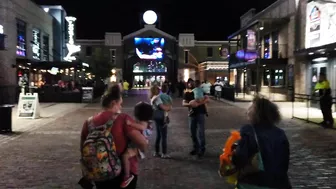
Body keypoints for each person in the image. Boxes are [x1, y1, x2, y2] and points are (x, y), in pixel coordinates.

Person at [79, 85, 148, 189]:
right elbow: (142, 143)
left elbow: (82, 149)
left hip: (99, 172)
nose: (121, 107)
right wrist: (136, 151)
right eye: (120, 104)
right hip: (121, 172)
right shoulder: (123, 119)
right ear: (113, 103)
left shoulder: (88, 123)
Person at [231, 96, 291, 189]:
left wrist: (233, 153)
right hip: (279, 183)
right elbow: (284, 163)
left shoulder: (248, 131)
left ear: (257, 113)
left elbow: (240, 158)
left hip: (254, 183)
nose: (247, 111)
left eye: (251, 108)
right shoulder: (280, 133)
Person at [121, 102, 153, 188]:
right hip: (138, 145)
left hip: (138, 146)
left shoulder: (143, 123)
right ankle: (127, 175)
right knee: (126, 157)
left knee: (125, 156)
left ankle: (127, 176)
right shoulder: (145, 121)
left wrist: (131, 124)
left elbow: (142, 128)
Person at [182, 79, 209, 158]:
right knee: (192, 133)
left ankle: (202, 149)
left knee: (201, 132)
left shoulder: (201, 91)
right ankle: (196, 147)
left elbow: (207, 99)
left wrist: (199, 103)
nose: (191, 84)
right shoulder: (187, 93)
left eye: (192, 83)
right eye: (189, 83)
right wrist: (190, 104)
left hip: (200, 113)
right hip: (192, 114)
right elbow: (183, 103)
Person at [150, 85, 172, 158]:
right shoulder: (157, 98)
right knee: (164, 136)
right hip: (161, 118)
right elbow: (163, 107)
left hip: (156, 118)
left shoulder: (152, 98)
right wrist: (169, 107)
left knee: (159, 135)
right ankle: (164, 153)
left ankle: (157, 152)